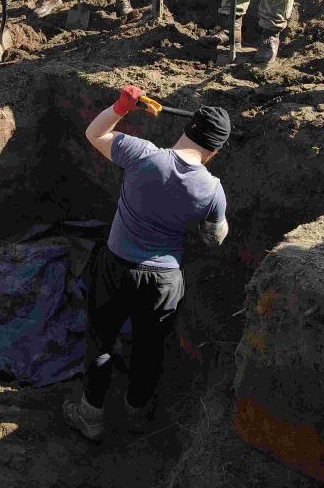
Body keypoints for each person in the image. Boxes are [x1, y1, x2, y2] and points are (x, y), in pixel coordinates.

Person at [64, 87, 230, 442]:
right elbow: (214, 238)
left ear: (188, 130)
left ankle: (90, 416)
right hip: (165, 280)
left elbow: (95, 134)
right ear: (214, 149)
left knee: (101, 341)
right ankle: (136, 412)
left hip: (116, 267)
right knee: (149, 348)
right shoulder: (212, 190)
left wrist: (120, 107)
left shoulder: (143, 154)